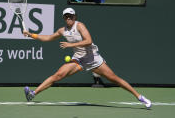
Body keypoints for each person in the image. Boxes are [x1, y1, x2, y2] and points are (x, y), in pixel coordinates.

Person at [23, 7, 152, 108]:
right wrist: (30, 35)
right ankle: (33, 94)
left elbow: (89, 41)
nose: (68, 18)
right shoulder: (63, 30)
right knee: (58, 75)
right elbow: (48, 38)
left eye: (70, 16)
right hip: (79, 59)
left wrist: (70, 45)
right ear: (64, 18)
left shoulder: (80, 26)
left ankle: (140, 97)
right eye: (66, 16)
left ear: (75, 17)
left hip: (93, 59)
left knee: (115, 79)